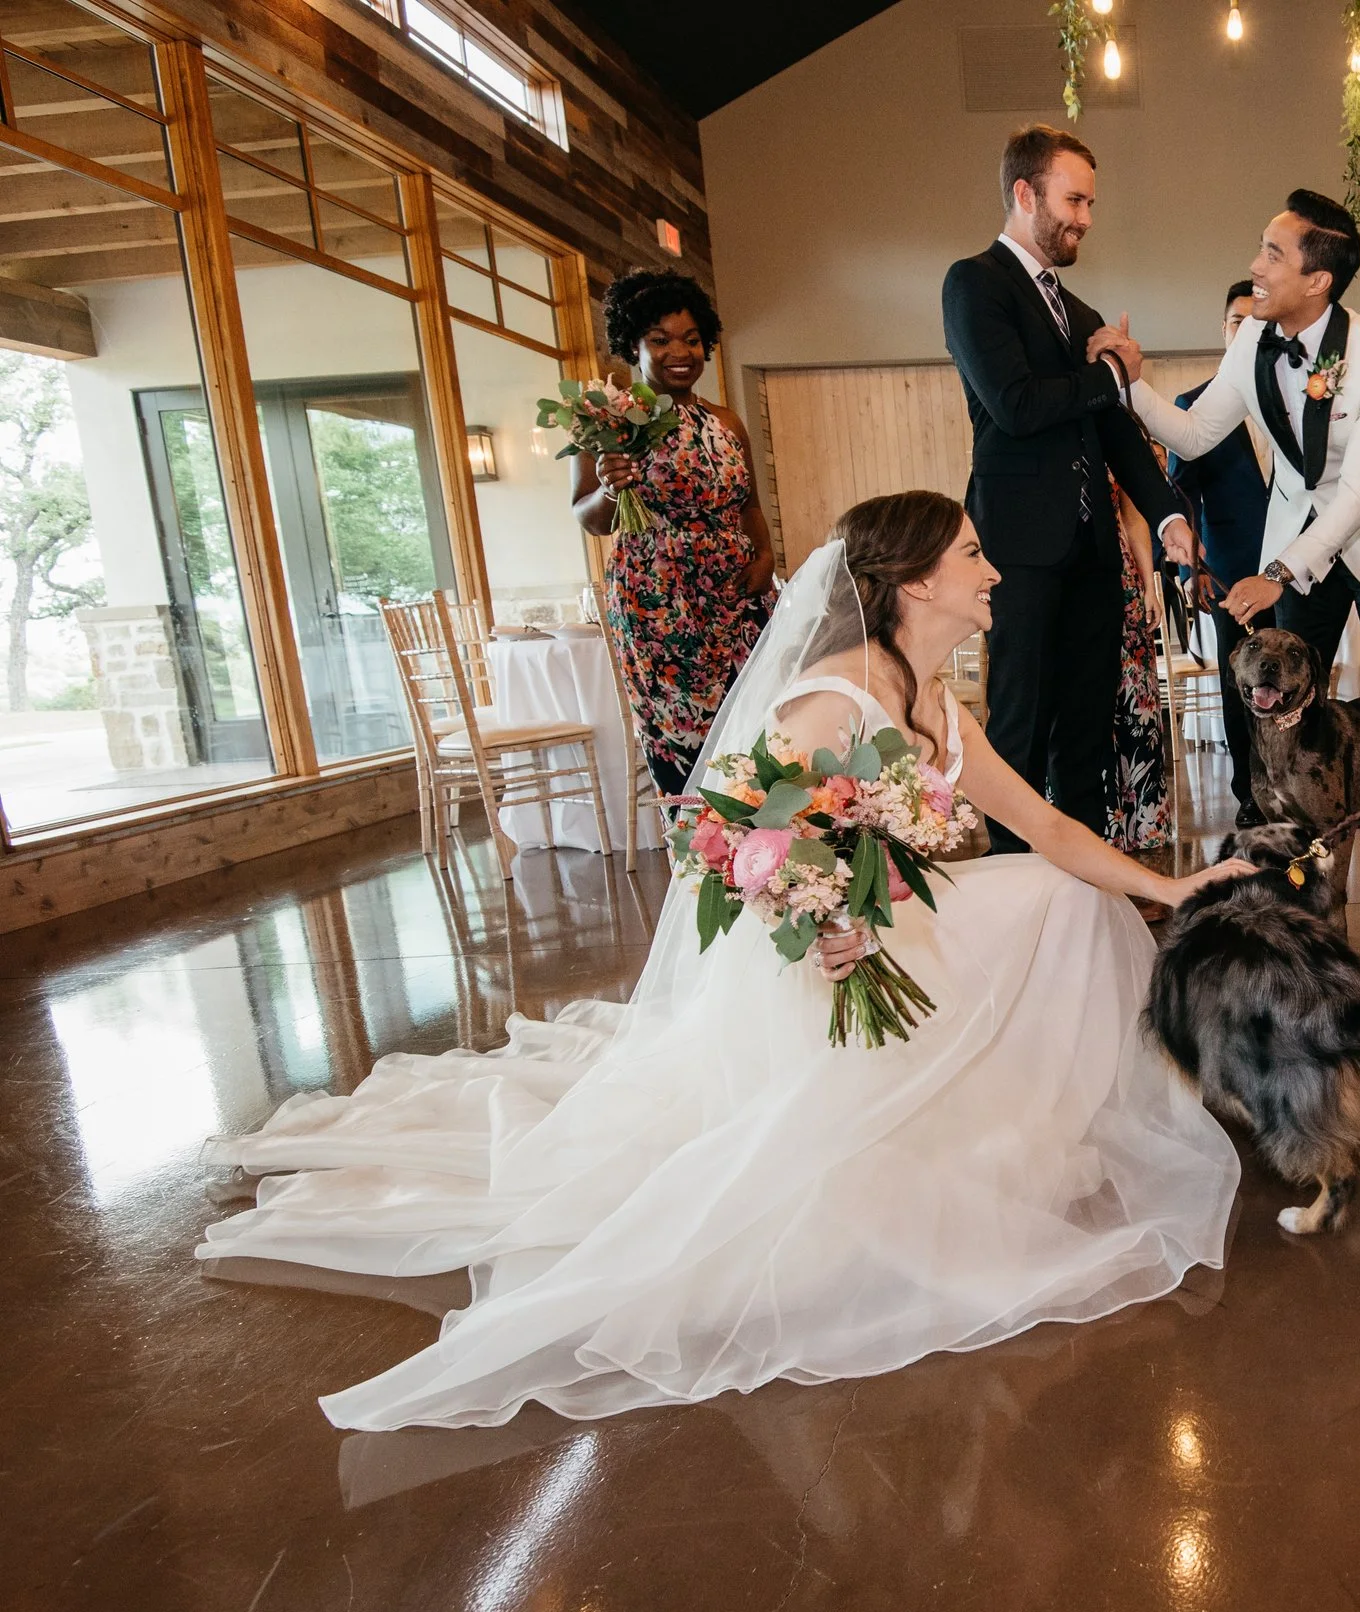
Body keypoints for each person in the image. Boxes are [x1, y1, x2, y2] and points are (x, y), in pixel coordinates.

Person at [196, 491, 1255, 1430]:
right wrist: (825, 917)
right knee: (1007, 933)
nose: (993, 571)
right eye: (974, 554)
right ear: (919, 580)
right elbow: (735, 847)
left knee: (1061, 896)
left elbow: (1043, 824)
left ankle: (1013, 1108)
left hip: (885, 920)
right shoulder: (828, 705)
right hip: (813, 961)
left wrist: (1166, 888)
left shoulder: (935, 700)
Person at [1112, 189, 1360, 910]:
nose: (1254, 267)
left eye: (1271, 253)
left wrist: (1275, 573)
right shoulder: (1254, 341)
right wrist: (1130, 385)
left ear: (1318, 279)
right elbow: (1195, 434)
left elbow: (1356, 493)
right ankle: (1296, 858)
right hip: (1299, 529)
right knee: (1288, 692)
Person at [941, 126, 1195, 855]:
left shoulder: (1080, 315)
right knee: (1021, 718)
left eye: (1090, 201)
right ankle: (1014, 878)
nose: (1085, 216)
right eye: (1073, 198)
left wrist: (1168, 509)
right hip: (1017, 543)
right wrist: (1113, 373)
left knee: (1087, 720)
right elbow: (1015, 405)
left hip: (1091, 548)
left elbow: (1115, 431)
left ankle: (1082, 880)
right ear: (1026, 193)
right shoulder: (975, 283)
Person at [573, 269, 778, 796]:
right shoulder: (609, 419)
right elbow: (590, 517)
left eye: (691, 339)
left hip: (737, 599)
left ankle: (765, 862)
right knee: (682, 739)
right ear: (633, 345)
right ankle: (697, 863)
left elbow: (749, 504)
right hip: (659, 605)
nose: (678, 351)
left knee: (757, 736)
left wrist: (767, 557)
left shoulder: (727, 422)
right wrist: (612, 488)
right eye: (659, 340)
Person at [1167, 280, 1274, 827]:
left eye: (1260, 322)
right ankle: (1250, 791)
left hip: (1294, 568)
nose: (1249, 331)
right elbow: (1180, 493)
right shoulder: (1196, 404)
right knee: (1244, 682)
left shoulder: (1293, 396)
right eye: (1238, 321)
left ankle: (1298, 783)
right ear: (1224, 329)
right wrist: (1194, 569)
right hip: (1230, 571)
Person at [1107, 481, 1172, 853]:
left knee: (1138, 704)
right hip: (1067, 578)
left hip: (1124, 580)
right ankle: (1094, 825)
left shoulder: (1118, 434)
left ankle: (1145, 824)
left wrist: (1149, 585)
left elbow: (1134, 516)